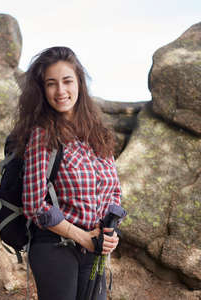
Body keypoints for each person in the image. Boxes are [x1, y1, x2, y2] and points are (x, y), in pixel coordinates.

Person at [10, 46, 123, 300]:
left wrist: (110, 233)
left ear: (79, 83)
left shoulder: (98, 134)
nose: (61, 91)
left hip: (93, 248)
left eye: (67, 81)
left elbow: (114, 191)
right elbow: (34, 204)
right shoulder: (42, 134)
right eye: (51, 84)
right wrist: (82, 237)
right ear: (42, 90)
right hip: (55, 248)